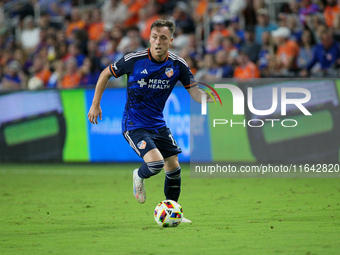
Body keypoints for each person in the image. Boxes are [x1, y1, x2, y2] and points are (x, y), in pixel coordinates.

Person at [87, 19, 215, 223]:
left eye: (163, 38)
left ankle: (174, 213)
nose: (158, 42)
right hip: (134, 124)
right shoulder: (134, 59)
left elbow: (196, 93)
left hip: (158, 124)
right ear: (149, 39)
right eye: (154, 37)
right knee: (155, 164)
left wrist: (208, 98)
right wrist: (95, 104)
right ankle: (139, 175)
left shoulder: (177, 64)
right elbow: (105, 73)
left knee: (173, 167)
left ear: (171, 40)